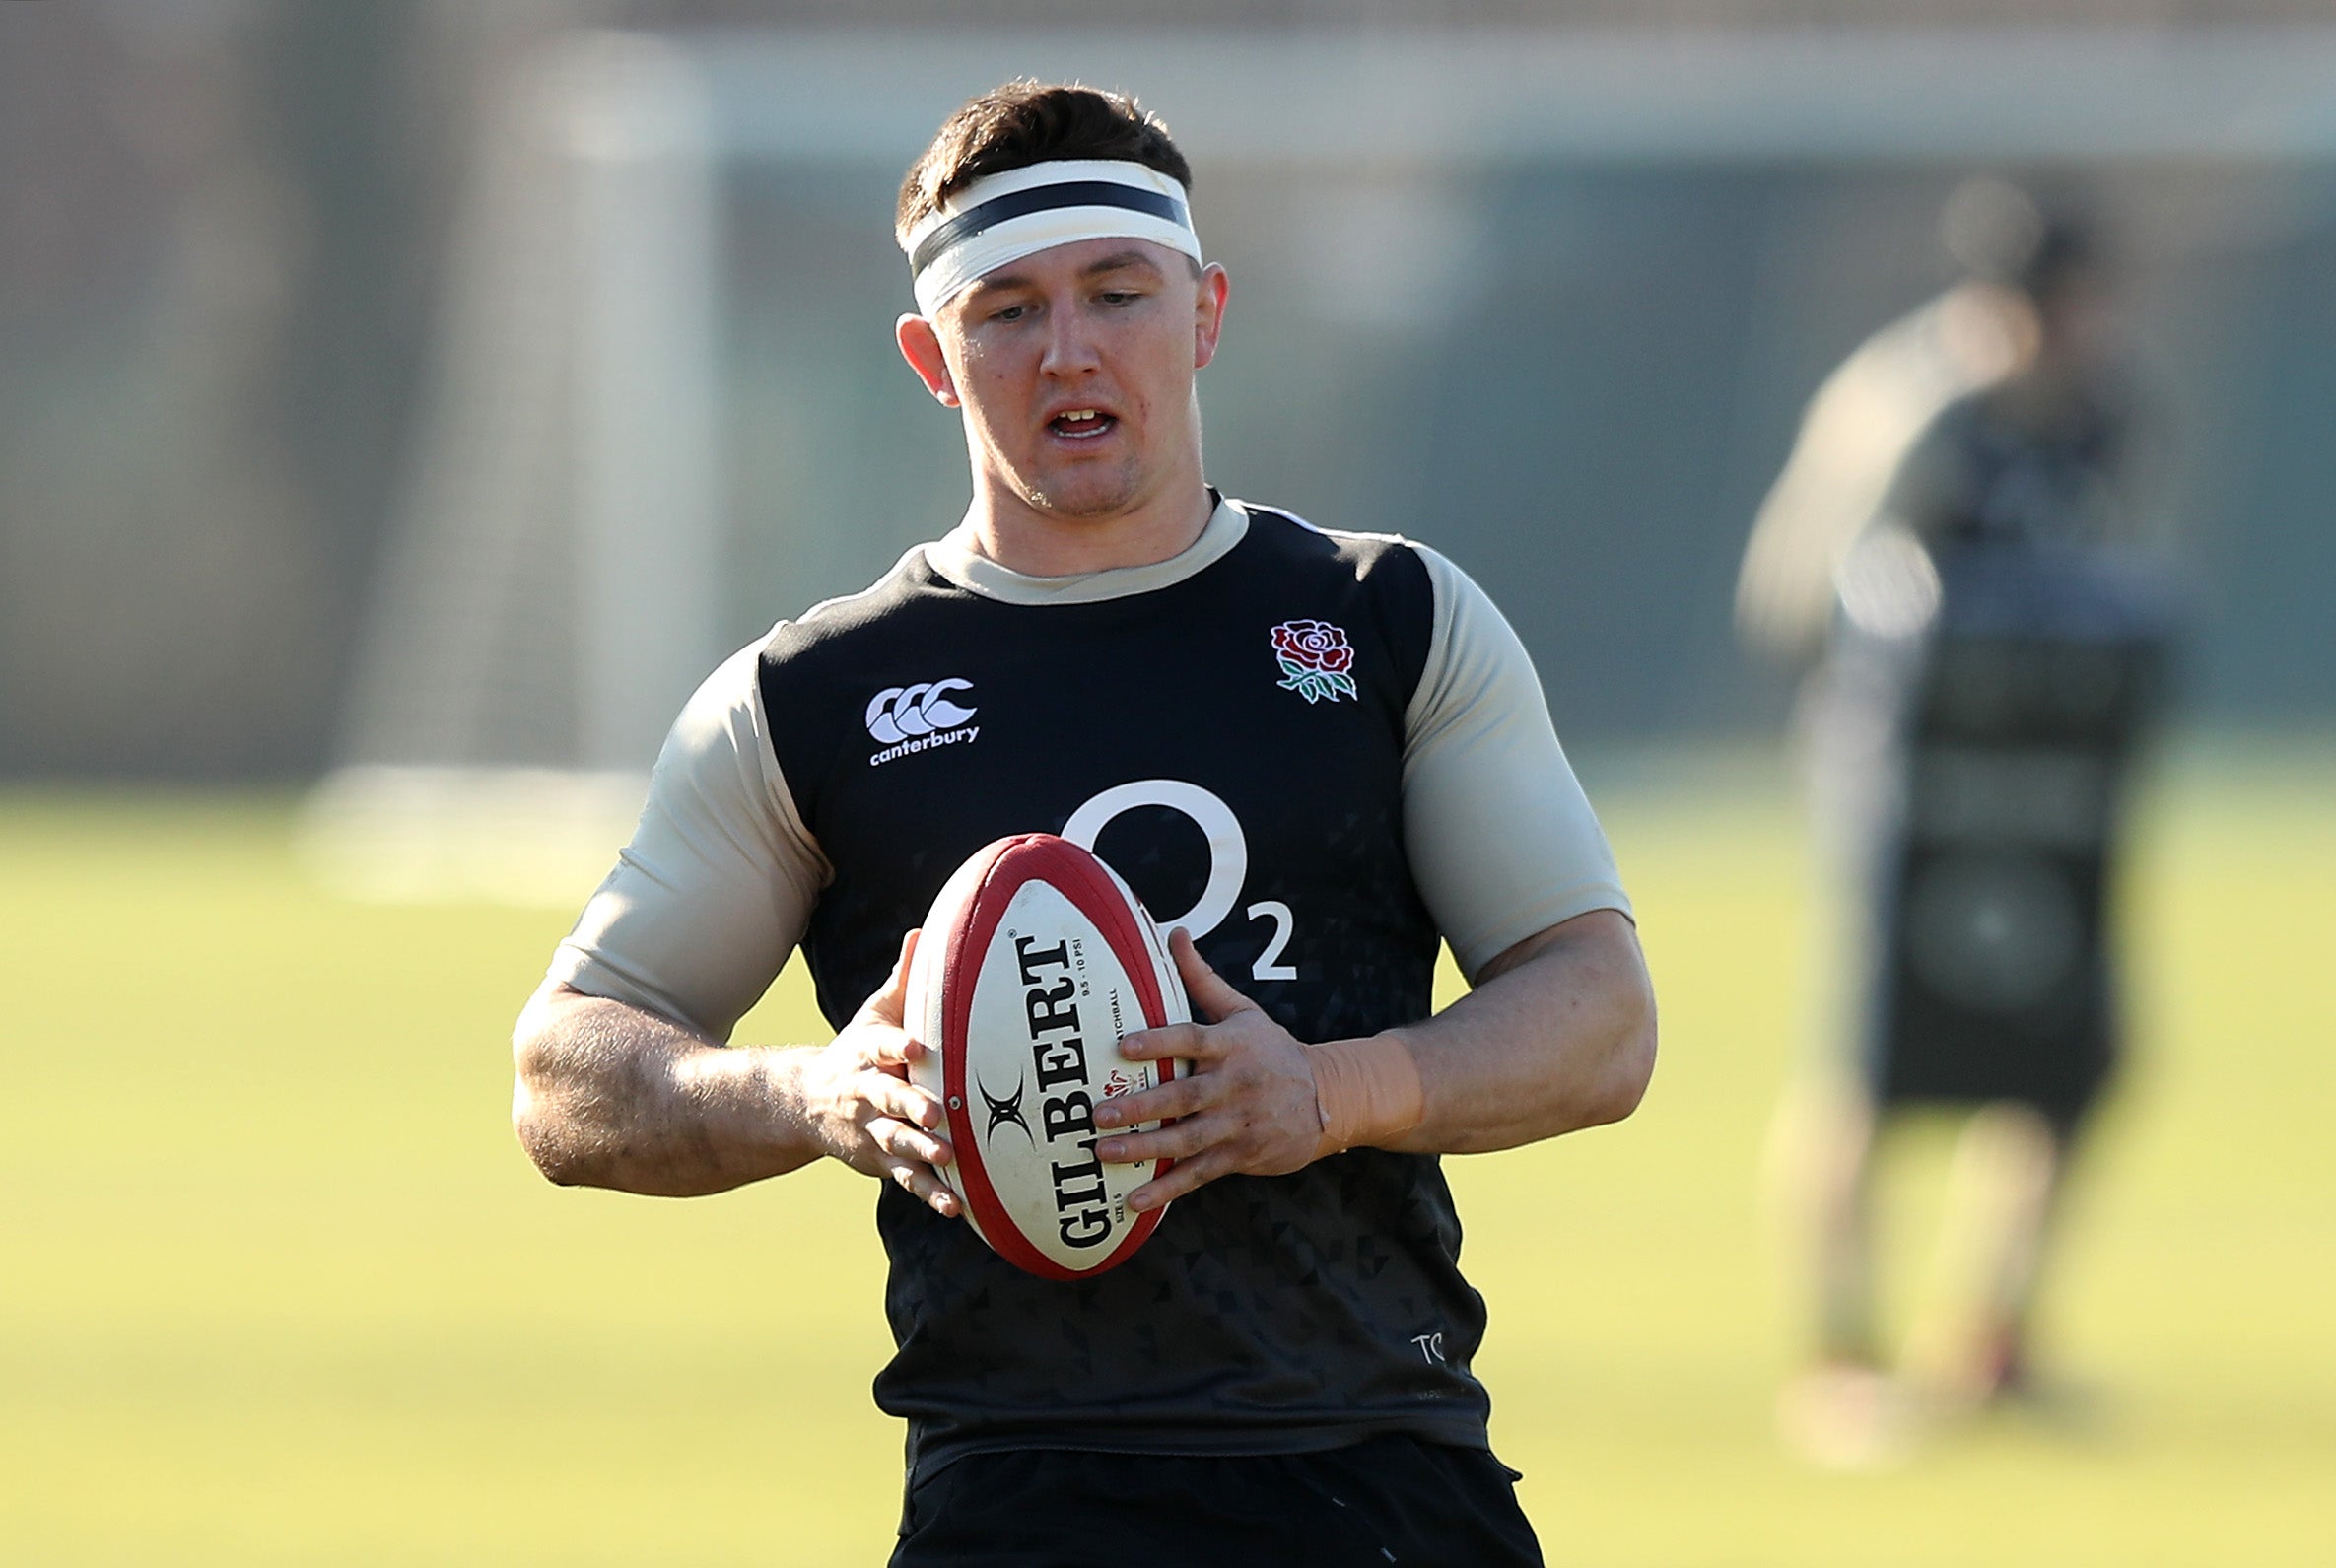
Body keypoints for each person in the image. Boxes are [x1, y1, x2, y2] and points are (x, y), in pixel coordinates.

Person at [512, 82, 1656, 1564]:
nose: (1068, 351)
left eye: (1116, 293)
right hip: (1020, 1488)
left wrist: (1323, 1092)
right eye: (1005, 311)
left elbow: (1598, 1021)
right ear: (932, 356)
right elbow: (562, 1074)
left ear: (1204, 313)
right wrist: (815, 1095)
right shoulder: (810, 697)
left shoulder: (1386, 624)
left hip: (1377, 1467)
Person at [1737, 178, 2170, 1465]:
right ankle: (1836, 1354)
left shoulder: (2106, 410)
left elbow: (2127, 573)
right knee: (1872, 1059)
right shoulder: (1914, 409)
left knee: (2062, 1050)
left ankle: (1990, 1338)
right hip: (1904, 784)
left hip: (2051, 787)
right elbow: (1794, 593)